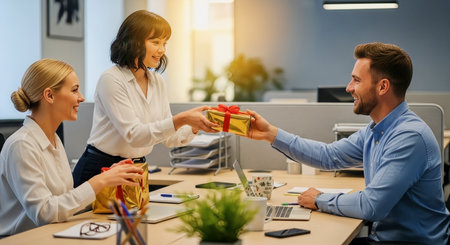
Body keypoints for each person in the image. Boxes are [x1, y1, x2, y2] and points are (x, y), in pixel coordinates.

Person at [246, 42, 449, 244]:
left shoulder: (409, 137)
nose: (348, 88)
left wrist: (319, 200)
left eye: (356, 80)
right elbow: (327, 156)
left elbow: (371, 205)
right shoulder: (375, 130)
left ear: (383, 86)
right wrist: (270, 134)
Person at [72, 10, 218, 187]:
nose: (162, 50)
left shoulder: (157, 82)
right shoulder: (111, 79)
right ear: (134, 42)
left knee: (138, 216)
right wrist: (182, 119)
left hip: (137, 166)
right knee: (95, 217)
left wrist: (195, 126)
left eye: (164, 43)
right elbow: (134, 135)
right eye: (155, 42)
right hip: (101, 167)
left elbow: (170, 138)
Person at [0, 59, 144, 236]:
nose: (81, 97)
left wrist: (107, 178)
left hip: (54, 234)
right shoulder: (22, 145)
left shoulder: (53, 139)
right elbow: (44, 213)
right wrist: (99, 181)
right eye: (74, 90)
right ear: (49, 95)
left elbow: (62, 203)